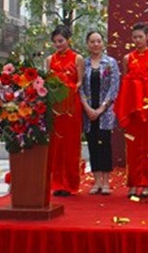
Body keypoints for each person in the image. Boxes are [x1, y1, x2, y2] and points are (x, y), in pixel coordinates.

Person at [113, 23, 148, 199]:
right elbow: (126, 80)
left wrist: (147, 87)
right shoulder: (127, 58)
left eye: (140, 37)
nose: (137, 40)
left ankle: (147, 183)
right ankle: (133, 183)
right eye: (135, 37)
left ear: (147, 37)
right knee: (133, 146)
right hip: (133, 108)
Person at [45, 25, 85, 197]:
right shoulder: (49, 59)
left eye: (60, 41)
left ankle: (69, 184)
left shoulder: (77, 58)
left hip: (71, 105)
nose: (58, 44)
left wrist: (68, 88)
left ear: (68, 40)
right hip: (55, 105)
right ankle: (56, 183)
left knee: (70, 144)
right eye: (55, 42)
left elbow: (80, 82)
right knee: (55, 144)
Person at [80, 31, 120, 196]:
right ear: (87, 44)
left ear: (103, 43)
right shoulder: (83, 63)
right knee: (92, 145)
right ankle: (96, 181)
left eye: (98, 41)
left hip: (105, 112)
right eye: (92, 41)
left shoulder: (110, 63)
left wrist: (101, 108)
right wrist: (88, 108)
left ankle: (105, 182)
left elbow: (114, 87)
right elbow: (79, 87)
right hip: (88, 111)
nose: (95, 44)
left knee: (105, 145)